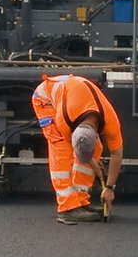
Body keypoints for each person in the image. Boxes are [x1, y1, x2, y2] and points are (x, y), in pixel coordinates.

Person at [31, 74, 124, 224]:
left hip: (73, 97)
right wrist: (93, 165)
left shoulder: (110, 121)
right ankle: (67, 208)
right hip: (45, 99)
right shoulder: (64, 120)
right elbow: (77, 148)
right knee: (61, 148)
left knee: (97, 148)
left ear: (96, 134)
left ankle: (80, 202)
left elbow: (117, 152)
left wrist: (109, 188)